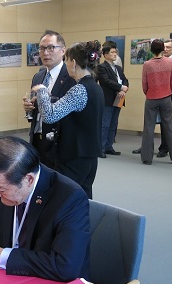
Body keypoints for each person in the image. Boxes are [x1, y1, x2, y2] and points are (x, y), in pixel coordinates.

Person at [0, 136, 90, 282]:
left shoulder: (69, 198)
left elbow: (65, 266)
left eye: (0, 189)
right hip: (9, 279)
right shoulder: (3, 185)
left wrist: (6, 256)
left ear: (29, 179)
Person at [31, 41, 104, 199]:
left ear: (74, 62)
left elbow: (50, 116)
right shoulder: (96, 87)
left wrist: (42, 92)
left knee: (65, 199)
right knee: (84, 197)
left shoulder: (79, 90)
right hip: (89, 153)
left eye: (67, 60)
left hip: (75, 155)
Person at [23, 30, 76, 169]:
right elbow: (37, 107)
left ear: (63, 51)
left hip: (59, 143)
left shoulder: (72, 77)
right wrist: (30, 108)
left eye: (51, 48)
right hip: (37, 140)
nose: (45, 53)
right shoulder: (38, 76)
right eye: (42, 48)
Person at [132, 39, 172, 157]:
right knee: (169, 128)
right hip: (166, 98)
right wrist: (166, 91)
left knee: (148, 128)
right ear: (163, 49)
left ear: (151, 50)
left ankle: (146, 157)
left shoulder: (147, 64)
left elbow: (144, 84)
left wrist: (149, 93)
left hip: (151, 98)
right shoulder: (170, 62)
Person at [97, 41, 129, 158]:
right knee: (105, 124)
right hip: (108, 99)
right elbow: (106, 81)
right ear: (105, 55)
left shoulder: (118, 68)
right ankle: (101, 148)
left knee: (113, 123)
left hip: (119, 97)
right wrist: (120, 87)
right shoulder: (101, 67)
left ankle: (109, 147)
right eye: (112, 52)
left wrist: (123, 90)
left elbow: (125, 80)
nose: (115, 54)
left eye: (115, 52)